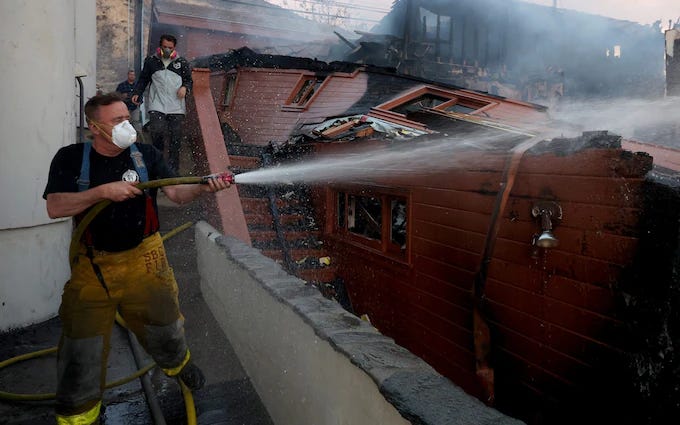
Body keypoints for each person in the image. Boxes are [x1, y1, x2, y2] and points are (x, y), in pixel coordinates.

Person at [43, 93, 230, 425]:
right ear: (94, 126)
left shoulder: (145, 154)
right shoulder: (70, 158)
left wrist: (203, 187)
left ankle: (177, 365)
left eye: (127, 118)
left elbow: (176, 192)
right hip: (94, 268)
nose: (126, 125)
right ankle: (80, 417)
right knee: (80, 348)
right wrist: (102, 192)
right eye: (117, 121)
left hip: (148, 260)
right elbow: (56, 206)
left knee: (165, 326)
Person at [132, 34, 192, 173]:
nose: (167, 50)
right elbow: (143, 79)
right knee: (157, 132)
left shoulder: (182, 62)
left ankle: (173, 170)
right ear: (160, 46)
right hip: (157, 104)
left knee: (175, 138)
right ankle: (157, 166)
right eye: (164, 47)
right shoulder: (151, 61)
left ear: (174, 48)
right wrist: (137, 93)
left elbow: (189, 80)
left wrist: (185, 88)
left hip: (176, 106)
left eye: (170, 48)